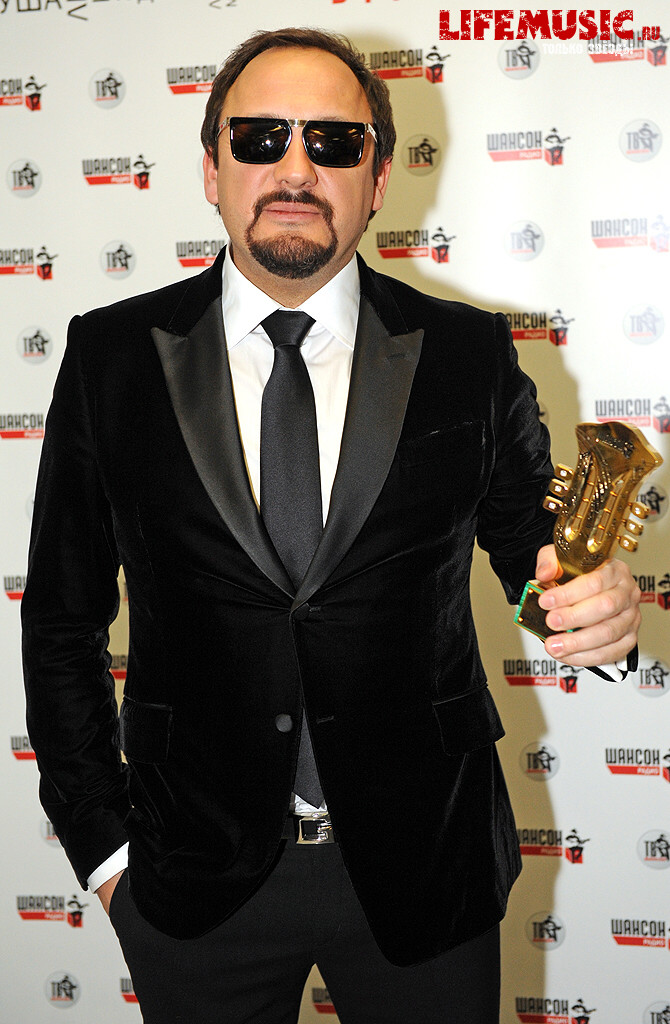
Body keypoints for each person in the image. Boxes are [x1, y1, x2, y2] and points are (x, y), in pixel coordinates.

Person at [22, 27, 640, 1024]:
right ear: (212, 168)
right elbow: (60, 619)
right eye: (260, 138)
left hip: (425, 871)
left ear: (379, 176)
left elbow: (529, 564)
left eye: (334, 142)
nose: (297, 168)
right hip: (191, 877)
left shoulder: (468, 354)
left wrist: (585, 608)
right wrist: (105, 852)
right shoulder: (111, 357)